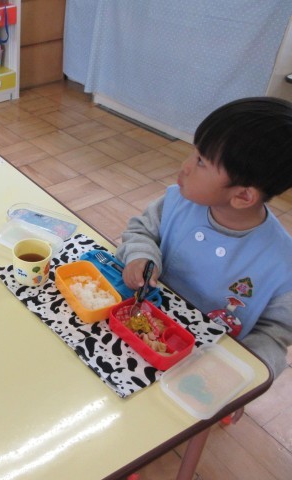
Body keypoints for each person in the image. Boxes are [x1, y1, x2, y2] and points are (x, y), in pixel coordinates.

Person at [116, 97, 292, 379]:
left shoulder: (282, 263)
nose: (185, 166)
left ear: (243, 196)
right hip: (139, 327)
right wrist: (140, 255)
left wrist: (239, 372)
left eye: (200, 161)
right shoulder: (177, 202)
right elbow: (141, 230)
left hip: (203, 369)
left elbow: (275, 334)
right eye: (193, 152)